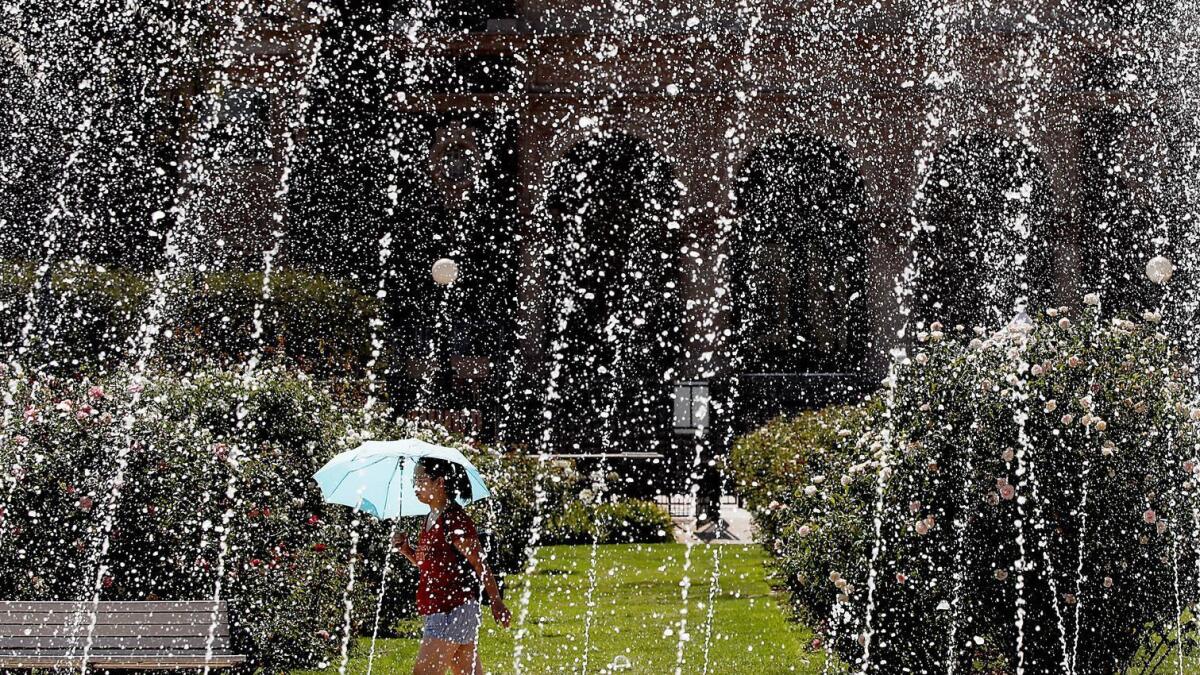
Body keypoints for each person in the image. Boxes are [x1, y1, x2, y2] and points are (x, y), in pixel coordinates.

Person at [392, 457, 511, 675]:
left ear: (440, 482)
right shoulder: (430, 518)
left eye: (420, 479)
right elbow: (427, 565)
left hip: (453, 609)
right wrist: (406, 549)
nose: (414, 485)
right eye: (413, 479)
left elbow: (479, 562)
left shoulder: (454, 520)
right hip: (440, 608)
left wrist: (496, 602)